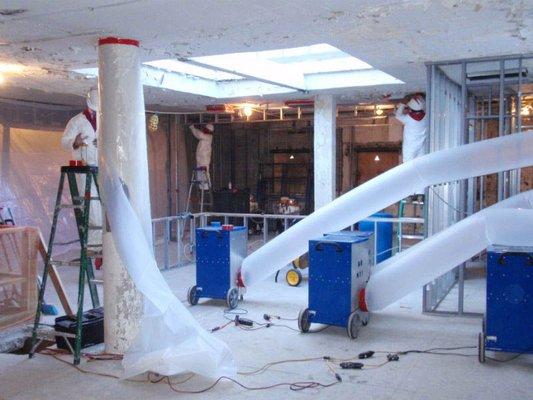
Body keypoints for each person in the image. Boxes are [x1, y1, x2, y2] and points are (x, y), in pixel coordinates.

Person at [61, 88, 102, 253]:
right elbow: (64, 142)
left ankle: (103, 243)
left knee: (105, 205)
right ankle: (94, 245)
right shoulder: (77, 121)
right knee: (92, 206)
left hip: (101, 167)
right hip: (83, 168)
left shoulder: (103, 120)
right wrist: (75, 142)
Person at [395, 93, 427, 163]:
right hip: (422, 147)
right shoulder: (426, 117)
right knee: (421, 164)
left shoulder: (408, 118)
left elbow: (397, 115)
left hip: (409, 148)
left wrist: (402, 104)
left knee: (408, 166)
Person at [189, 123, 214, 190]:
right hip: (201, 159)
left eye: (205, 129)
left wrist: (192, 128)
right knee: (200, 174)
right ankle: (202, 187)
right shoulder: (206, 137)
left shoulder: (208, 137)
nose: (204, 130)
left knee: (204, 174)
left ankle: (206, 187)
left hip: (204, 160)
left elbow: (199, 134)